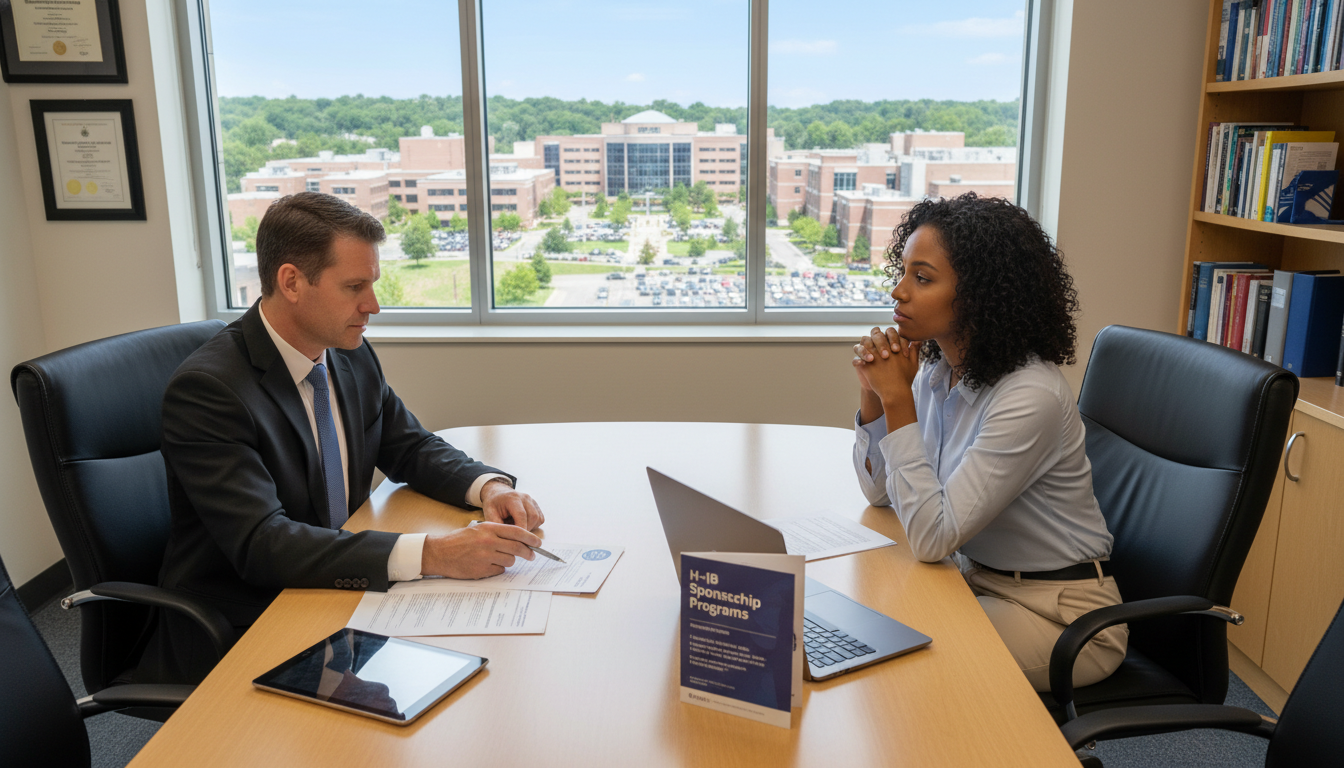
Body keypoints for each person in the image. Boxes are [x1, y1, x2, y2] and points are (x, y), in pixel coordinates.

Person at [140, 192, 544, 684]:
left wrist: (490, 488)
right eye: (354, 286)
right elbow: (263, 544)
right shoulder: (209, 392)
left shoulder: (347, 352)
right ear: (291, 282)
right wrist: (435, 553)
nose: (372, 305)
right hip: (249, 621)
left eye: (372, 284)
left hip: (338, 591)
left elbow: (409, 445)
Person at [850, 193, 1126, 693]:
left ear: (979, 293)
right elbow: (881, 494)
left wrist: (897, 405)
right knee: (871, 620)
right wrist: (873, 396)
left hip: (1059, 616)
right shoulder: (937, 371)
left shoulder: (1029, 396)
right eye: (905, 271)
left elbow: (932, 539)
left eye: (923, 278)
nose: (899, 291)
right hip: (973, 580)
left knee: (900, 663)